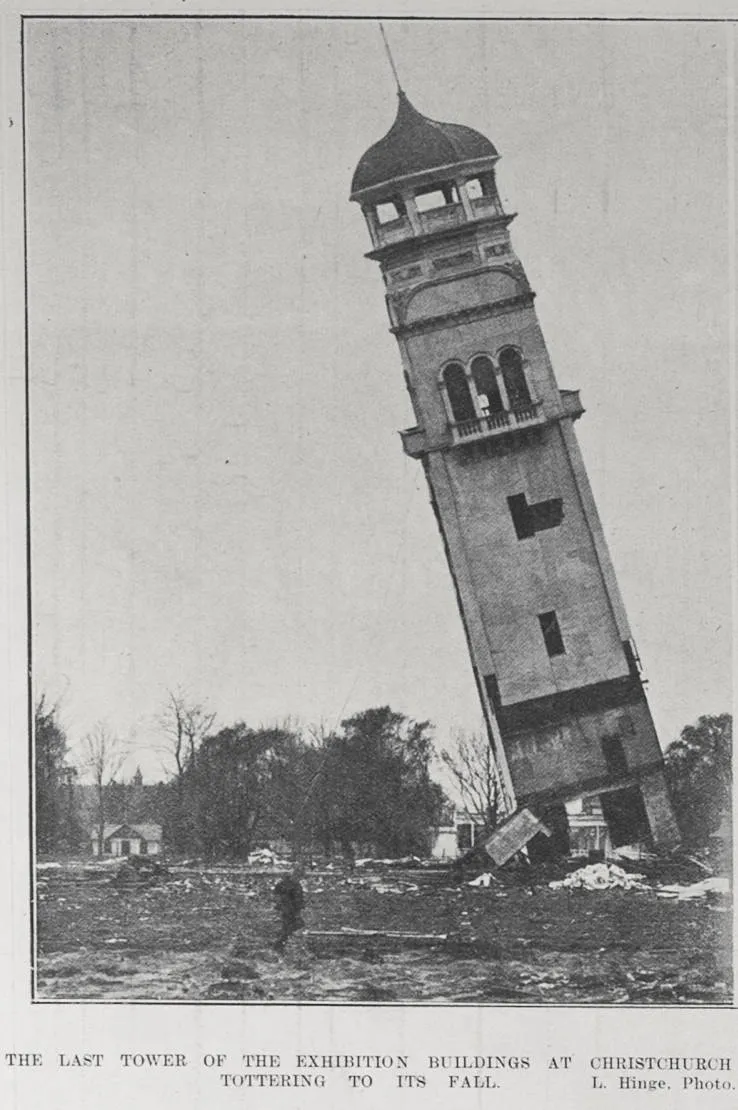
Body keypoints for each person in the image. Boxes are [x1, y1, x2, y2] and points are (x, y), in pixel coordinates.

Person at [273, 867, 306, 952]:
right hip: (287, 911)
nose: (298, 878)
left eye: (300, 876)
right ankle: (281, 946)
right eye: (297, 876)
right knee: (290, 927)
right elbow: (278, 897)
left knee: (293, 927)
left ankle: (283, 945)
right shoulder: (284, 884)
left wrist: (299, 909)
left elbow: (299, 900)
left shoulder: (296, 886)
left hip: (291, 911)